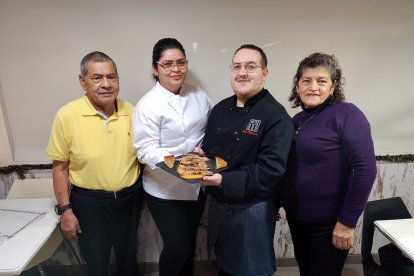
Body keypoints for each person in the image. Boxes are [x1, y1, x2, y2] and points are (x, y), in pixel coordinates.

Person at [196, 44, 294, 276]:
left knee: (252, 271)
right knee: (225, 267)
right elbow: (213, 154)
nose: (242, 72)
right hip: (220, 207)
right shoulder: (219, 109)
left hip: (253, 211)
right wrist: (202, 158)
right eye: (237, 67)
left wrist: (222, 181)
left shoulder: (276, 117)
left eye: (251, 67)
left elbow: (270, 172)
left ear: (264, 74)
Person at [46, 51, 142, 276]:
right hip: (89, 204)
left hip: (129, 200)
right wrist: (66, 211)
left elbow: (142, 157)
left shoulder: (133, 111)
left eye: (112, 77)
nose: (106, 84)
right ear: (83, 81)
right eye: (97, 78)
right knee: (96, 264)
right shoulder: (67, 115)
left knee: (129, 263)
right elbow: (60, 168)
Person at [281, 52, 377, 276]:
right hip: (298, 219)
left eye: (321, 81)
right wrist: (277, 200)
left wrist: (346, 223)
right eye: (306, 80)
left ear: (333, 87)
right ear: (297, 86)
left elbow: (365, 169)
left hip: (329, 224)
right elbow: (290, 166)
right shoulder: (296, 120)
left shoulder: (347, 114)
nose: (313, 87)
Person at [133, 38, 213, 276]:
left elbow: (212, 129)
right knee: (177, 248)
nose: (175, 69)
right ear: (155, 69)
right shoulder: (147, 105)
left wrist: (205, 150)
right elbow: (145, 149)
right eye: (167, 64)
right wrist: (181, 165)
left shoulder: (199, 95)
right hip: (164, 190)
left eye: (180, 62)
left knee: (188, 245)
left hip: (197, 186)